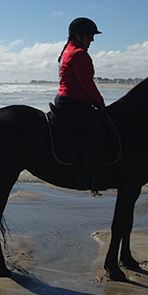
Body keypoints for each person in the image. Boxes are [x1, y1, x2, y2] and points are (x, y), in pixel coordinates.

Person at [54, 17, 107, 193]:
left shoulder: (68, 51)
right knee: (100, 132)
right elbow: (87, 85)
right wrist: (101, 105)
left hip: (64, 99)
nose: (92, 39)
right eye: (89, 35)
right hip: (74, 102)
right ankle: (87, 177)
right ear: (78, 35)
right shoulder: (79, 54)